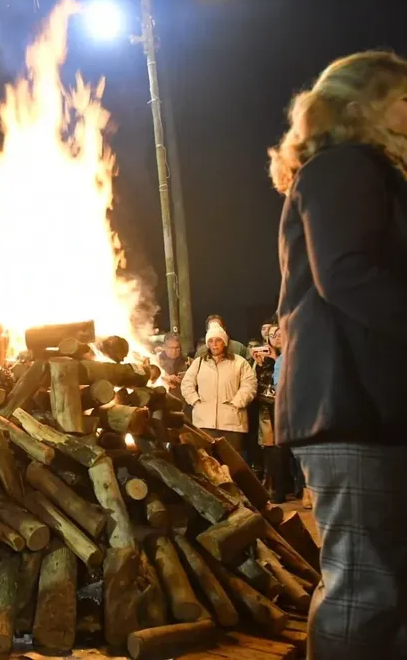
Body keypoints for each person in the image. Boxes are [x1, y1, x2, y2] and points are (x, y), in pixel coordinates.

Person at [269, 50, 407, 659]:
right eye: (403, 99)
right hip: (349, 402)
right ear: (362, 109)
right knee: (365, 592)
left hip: (364, 404)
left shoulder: (365, 170)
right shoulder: (345, 166)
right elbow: (347, 275)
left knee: (382, 589)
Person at [179, 322, 257, 453]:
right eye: (211, 341)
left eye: (218, 340)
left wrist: (237, 403)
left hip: (232, 423)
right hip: (204, 423)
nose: (214, 344)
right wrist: (196, 401)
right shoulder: (198, 363)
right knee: (208, 463)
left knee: (232, 464)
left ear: (225, 342)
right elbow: (187, 384)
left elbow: (249, 385)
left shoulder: (239, 362)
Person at [156, 333, 189, 402]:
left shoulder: (188, 361)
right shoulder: (156, 360)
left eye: (177, 348)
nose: (174, 351)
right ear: (164, 347)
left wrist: (185, 379)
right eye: (170, 348)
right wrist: (165, 378)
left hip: (182, 401)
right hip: (160, 400)